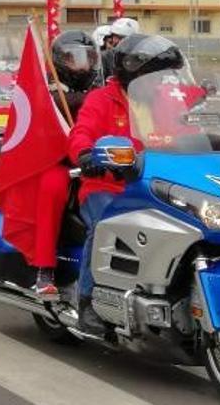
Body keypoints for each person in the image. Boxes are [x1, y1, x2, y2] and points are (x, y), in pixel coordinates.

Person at [69, 33, 181, 335]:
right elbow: (81, 133)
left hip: (153, 186)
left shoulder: (164, 103)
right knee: (106, 225)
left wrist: (216, 141)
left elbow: (187, 130)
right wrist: (85, 153)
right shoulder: (101, 99)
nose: (158, 81)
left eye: (161, 75)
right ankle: (88, 302)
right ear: (133, 73)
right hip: (106, 187)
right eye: (152, 75)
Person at [8, 30, 102, 298]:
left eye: (88, 58)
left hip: (100, 161)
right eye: (75, 58)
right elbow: (37, 125)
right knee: (52, 188)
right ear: (60, 61)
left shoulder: (101, 91)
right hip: (60, 162)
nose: (82, 65)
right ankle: (44, 269)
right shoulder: (46, 91)